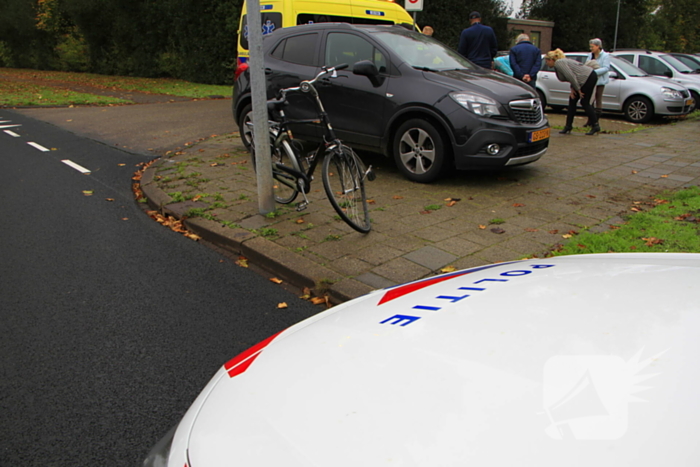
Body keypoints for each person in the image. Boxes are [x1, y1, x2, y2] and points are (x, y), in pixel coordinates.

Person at [544, 48, 600, 135]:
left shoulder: (559, 63)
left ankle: (595, 125)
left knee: (585, 102)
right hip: (581, 80)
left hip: (588, 78)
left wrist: (578, 89)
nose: (546, 63)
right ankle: (568, 126)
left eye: (547, 61)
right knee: (572, 101)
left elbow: (571, 76)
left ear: (551, 60)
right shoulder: (559, 65)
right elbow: (571, 77)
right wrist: (573, 89)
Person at [585, 38, 610, 127]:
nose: (591, 48)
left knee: (598, 98)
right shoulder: (590, 55)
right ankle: (590, 120)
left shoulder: (605, 56)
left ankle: (596, 120)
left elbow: (606, 68)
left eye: (592, 46)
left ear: (598, 46)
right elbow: (587, 65)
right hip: (591, 80)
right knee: (590, 100)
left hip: (600, 81)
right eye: (590, 46)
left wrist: (594, 72)